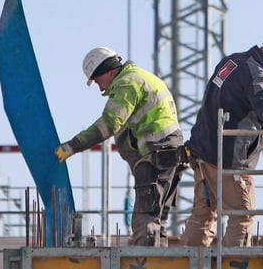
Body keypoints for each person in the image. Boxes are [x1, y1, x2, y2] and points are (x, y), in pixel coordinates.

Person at [180, 31, 263, 247]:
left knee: (204, 213)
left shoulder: (231, 61)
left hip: (203, 154)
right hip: (229, 161)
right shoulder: (255, 74)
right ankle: (234, 261)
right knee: (243, 215)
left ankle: (191, 261)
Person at [55, 47, 186, 246]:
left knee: (144, 221)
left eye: (97, 81)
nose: (100, 88)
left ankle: (148, 261)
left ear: (108, 71)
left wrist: (73, 146)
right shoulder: (141, 77)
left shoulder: (127, 83)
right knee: (158, 221)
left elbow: (109, 124)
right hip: (171, 154)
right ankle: (159, 259)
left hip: (156, 156)